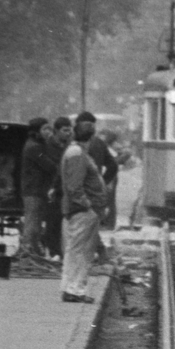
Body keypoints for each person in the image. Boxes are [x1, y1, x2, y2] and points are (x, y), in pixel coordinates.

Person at [60, 115, 107, 302]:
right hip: (82, 212)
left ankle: (69, 288)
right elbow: (74, 187)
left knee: (75, 250)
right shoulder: (78, 154)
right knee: (82, 252)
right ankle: (75, 290)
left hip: (80, 211)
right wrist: (89, 206)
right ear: (91, 138)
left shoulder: (76, 152)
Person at [79, 110, 119, 234]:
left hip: (80, 189)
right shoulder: (99, 143)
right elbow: (113, 165)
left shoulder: (75, 143)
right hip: (95, 189)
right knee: (93, 224)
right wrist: (103, 181)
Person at [20, 116, 53, 258]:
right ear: (36, 131)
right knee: (32, 223)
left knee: (36, 223)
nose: (48, 132)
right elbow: (47, 164)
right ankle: (26, 251)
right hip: (33, 190)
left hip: (38, 189)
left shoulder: (37, 145)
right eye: (45, 129)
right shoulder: (34, 148)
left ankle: (33, 251)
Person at [43, 117, 71, 258]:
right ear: (56, 131)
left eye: (69, 129)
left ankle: (59, 251)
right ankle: (54, 251)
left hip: (64, 189)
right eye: (65, 130)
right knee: (52, 222)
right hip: (51, 190)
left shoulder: (69, 145)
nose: (68, 133)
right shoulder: (47, 146)